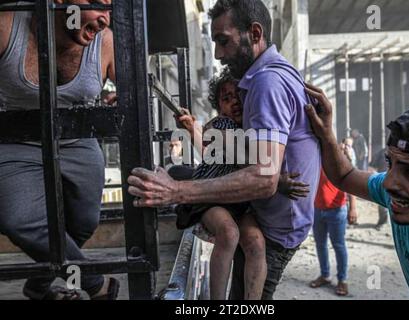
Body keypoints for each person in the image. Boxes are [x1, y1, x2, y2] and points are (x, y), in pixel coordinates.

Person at [127, 0, 321, 300]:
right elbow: (225, 153)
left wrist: (176, 190)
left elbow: (262, 176)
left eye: (223, 41)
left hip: (274, 227)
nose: (217, 54)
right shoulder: (276, 76)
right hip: (265, 216)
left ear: (254, 33)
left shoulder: (266, 82)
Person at [0, 0, 119, 300]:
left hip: (77, 140)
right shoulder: (6, 26)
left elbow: (134, 88)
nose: (104, 18)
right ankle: (95, 284)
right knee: (19, 219)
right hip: (14, 141)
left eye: (109, 9)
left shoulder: (105, 42)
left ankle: (39, 285)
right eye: (97, 4)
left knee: (82, 223)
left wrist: (124, 97)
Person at [304, 83, 409, 300]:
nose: (389, 183)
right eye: (390, 164)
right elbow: (345, 176)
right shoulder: (399, 198)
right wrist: (326, 134)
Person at [175, 68, 309, 300]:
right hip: (210, 197)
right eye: (226, 99)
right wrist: (277, 179)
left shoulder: (254, 126)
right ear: (218, 107)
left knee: (256, 243)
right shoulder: (220, 125)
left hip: (239, 202)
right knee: (229, 233)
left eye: (238, 96)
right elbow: (238, 152)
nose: (234, 102)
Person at [310, 145, 357, 296]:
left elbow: (351, 185)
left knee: (338, 245)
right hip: (317, 210)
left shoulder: (341, 164)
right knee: (320, 244)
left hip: (337, 210)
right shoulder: (316, 160)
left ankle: (342, 280)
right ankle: (325, 275)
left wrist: (353, 208)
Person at [369, 147, 389, 230]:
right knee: (382, 203)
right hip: (383, 179)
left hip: (398, 181)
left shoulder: (403, 152)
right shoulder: (382, 152)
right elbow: (372, 165)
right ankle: (383, 222)